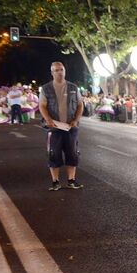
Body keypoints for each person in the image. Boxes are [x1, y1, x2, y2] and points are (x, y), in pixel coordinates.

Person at [38, 62, 84, 191]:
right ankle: (55, 181)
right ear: (52, 72)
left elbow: (80, 105)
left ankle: (71, 180)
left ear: (65, 71)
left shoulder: (73, 87)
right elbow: (42, 105)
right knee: (53, 154)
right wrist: (48, 119)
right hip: (54, 128)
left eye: (62, 69)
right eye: (57, 70)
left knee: (73, 154)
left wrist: (76, 120)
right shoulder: (46, 89)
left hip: (71, 127)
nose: (60, 72)